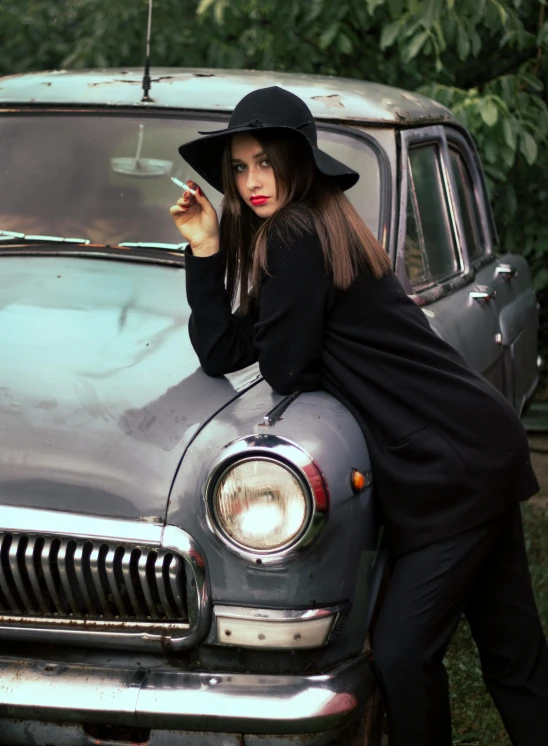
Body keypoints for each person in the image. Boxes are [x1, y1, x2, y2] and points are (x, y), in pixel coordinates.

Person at [170, 86, 548, 746]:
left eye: (265, 162)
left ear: (298, 161)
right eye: (238, 168)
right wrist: (205, 247)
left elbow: (285, 368)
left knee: (404, 651)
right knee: (513, 655)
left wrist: (290, 345)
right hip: (475, 442)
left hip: (448, 465)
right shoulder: (320, 225)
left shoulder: (293, 235)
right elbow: (227, 350)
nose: (252, 182)